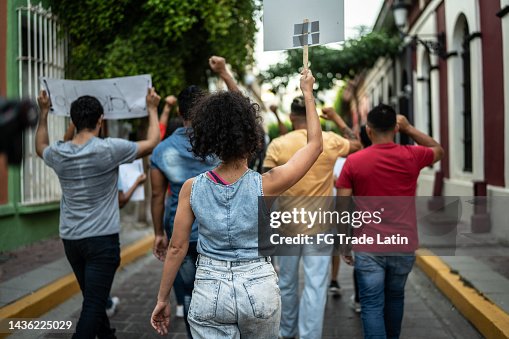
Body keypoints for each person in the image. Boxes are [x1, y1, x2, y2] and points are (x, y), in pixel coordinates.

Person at [150, 69, 322, 338]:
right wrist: (308, 94)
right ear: (251, 137)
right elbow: (314, 147)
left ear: (207, 139)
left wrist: (162, 299)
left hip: (208, 288)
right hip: (259, 287)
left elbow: (177, 247)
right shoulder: (267, 184)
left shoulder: (191, 189)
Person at [36, 88, 161, 338]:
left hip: (71, 240)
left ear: (72, 122)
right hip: (101, 241)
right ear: (100, 120)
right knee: (94, 304)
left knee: (94, 297)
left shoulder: (59, 152)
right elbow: (152, 142)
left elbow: (40, 145)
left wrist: (43, 112)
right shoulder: (109, 149)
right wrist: (152, 109)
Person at [336, 104, 444, 339]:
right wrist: (410, 128)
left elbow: (343, 206)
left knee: (372, 305)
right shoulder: (412, 155)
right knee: (396, 297)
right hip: (403, 244)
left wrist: (344, 243)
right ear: (395, 129)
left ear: (369, 130)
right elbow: (438, 149)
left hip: (368, 246)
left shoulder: (353, 162)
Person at [150, 56, 237, 337]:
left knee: (190, 296)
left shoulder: (162, 150)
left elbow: (156, 196)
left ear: (180, 113)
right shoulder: (220, 141)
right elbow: (242, 114)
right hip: (221, 232)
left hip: (183, 234)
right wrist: (224, 74)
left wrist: (158, 234)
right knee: (224, 293)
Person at [262, 102, 361, 339]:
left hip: (286, 225)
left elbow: (264, 186)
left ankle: (286, 331)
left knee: (285, 283)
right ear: (314, 115)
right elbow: (358, 144)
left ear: (291, 116)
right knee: (316, 285)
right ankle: (310, 336)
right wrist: (337, 118)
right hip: (320, 225)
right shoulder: (329, 140)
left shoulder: (278, 144)